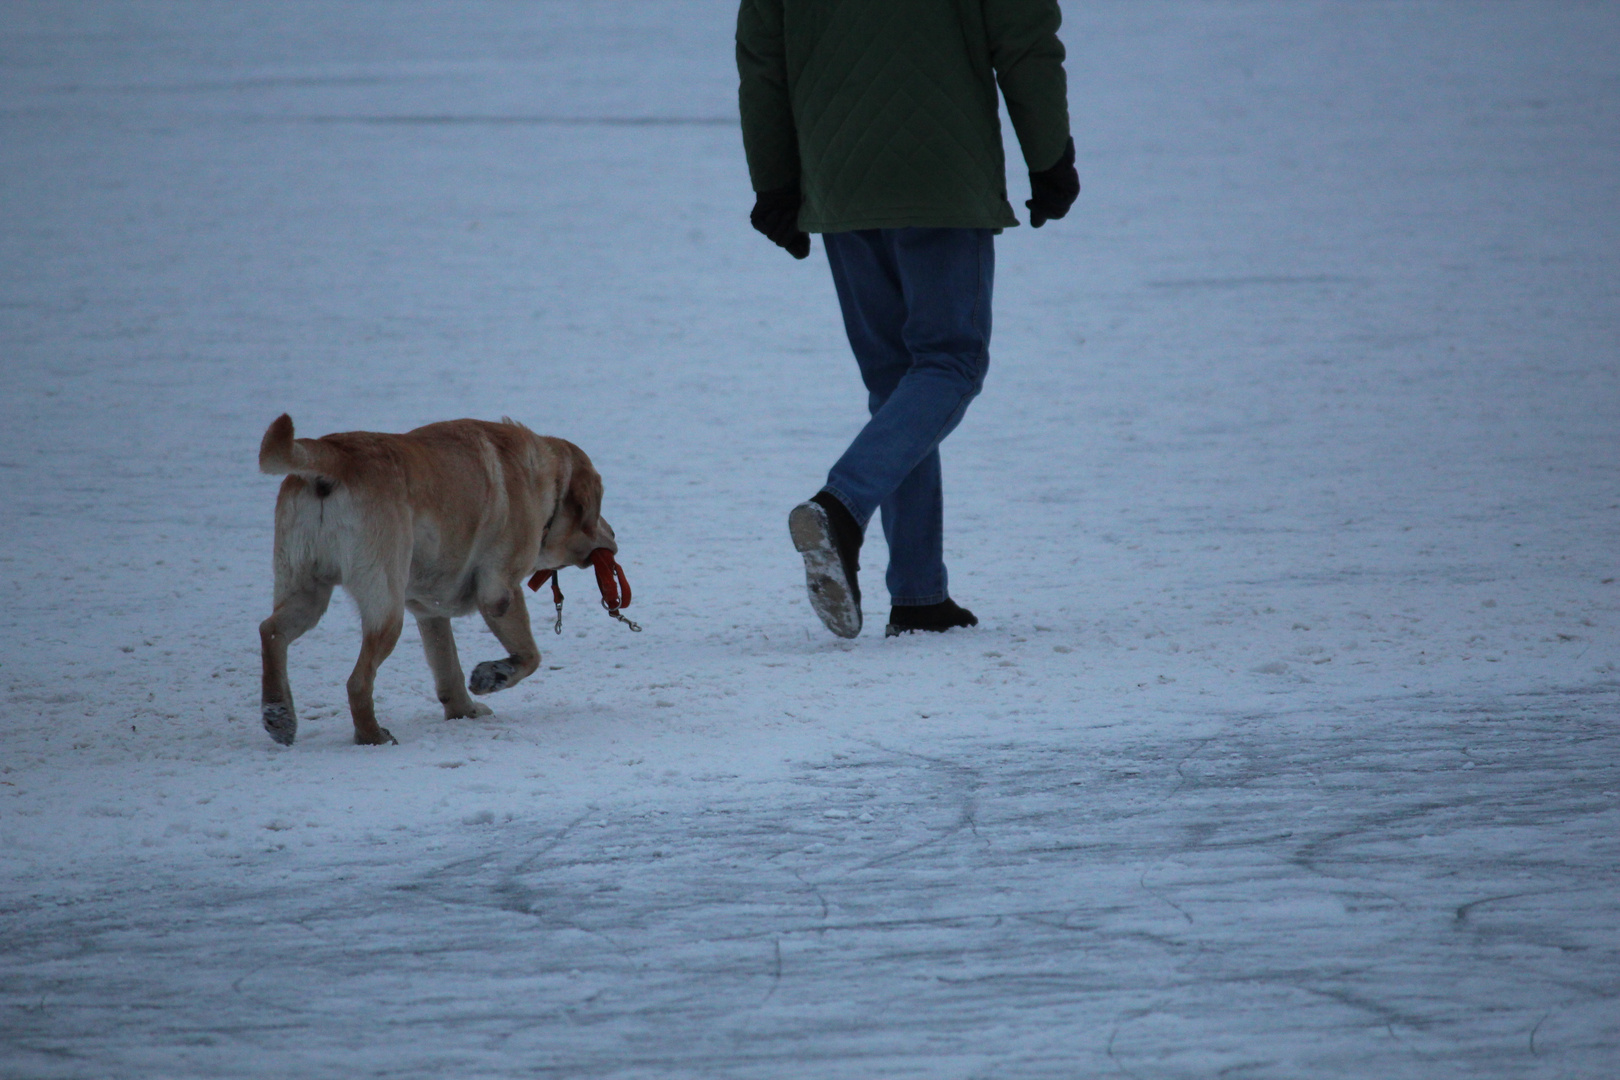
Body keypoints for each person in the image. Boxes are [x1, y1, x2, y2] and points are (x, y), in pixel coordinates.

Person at [738, 0, 1078, 639]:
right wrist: (1050, 154)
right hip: (944, 174)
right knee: (950, 363)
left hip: (838, 176)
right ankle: (842, 506)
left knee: (899, 385)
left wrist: (776, 184)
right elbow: (1026, 39)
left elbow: (762, 64)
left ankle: (920, 595)